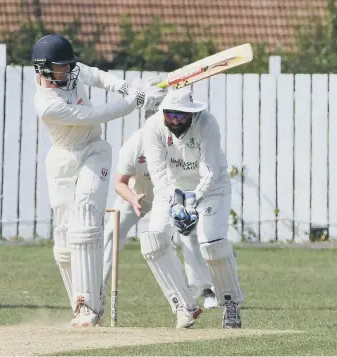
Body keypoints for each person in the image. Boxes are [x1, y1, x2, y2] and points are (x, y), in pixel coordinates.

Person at [31, 33, 167, 327]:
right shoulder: (47, 104)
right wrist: (135, 101)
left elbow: (101, 78)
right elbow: (96, 113)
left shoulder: (72, 71)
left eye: (68, 65)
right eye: (60, 67)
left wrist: (130, 87)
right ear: (42, 68)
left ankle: (89, 307)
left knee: (85, 218)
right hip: (63, 158)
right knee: (64, 243)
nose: (67, 71)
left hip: (94, 151)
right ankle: (83, 304)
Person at [141, 87, 243, 328]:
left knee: (211, 243)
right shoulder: (154, 126)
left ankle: (231, 305)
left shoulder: (207, 123)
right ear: (164, 112)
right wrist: (175, 206)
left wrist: (193, 201)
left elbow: (210, 171)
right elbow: (158, 175)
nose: (176, 121)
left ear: (191, 113)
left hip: (212, 189)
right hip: (173, 189)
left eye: (182, 116)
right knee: (153, 241)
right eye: (171, 115)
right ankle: (184, 306)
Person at [100, 121, 218, 319]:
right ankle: (98, 291)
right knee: (112, 231)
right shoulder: (133, 145)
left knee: (187, 235)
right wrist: (133, 199)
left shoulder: (178, 141)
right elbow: (119, 183)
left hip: (169, 198)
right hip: (136, 195)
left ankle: (205, 289)